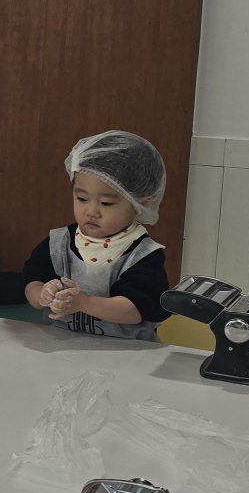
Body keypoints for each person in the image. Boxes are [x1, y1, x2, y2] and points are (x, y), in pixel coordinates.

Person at [22, 130, 174, 340]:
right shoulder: (59, 243)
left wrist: (84, 302)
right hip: (62, 346)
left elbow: (136, 309)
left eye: (106, 203)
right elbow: (32, 281)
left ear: (140, 204)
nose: (91, 211)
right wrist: (42, 294)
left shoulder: (141, 254)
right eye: (82, 199)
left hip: (127, 351)